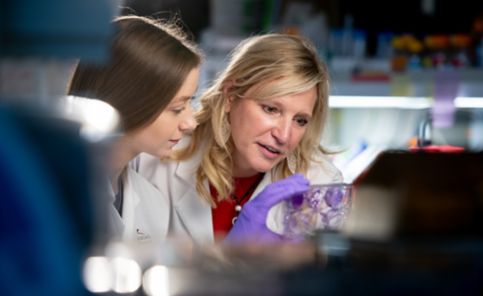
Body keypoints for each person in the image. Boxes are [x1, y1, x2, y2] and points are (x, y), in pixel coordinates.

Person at [137, 33, 343, 245]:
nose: (284, 136)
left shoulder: (320, 183)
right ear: (230, 96)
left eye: (300, 120)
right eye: (271, 109)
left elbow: (325, 275)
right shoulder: (158, 159)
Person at [67, 15, 202, 242]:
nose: (191, 123)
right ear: (127, 101)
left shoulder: (152, 204)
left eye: (190, 102)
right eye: (177, 108)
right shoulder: (53, 194)